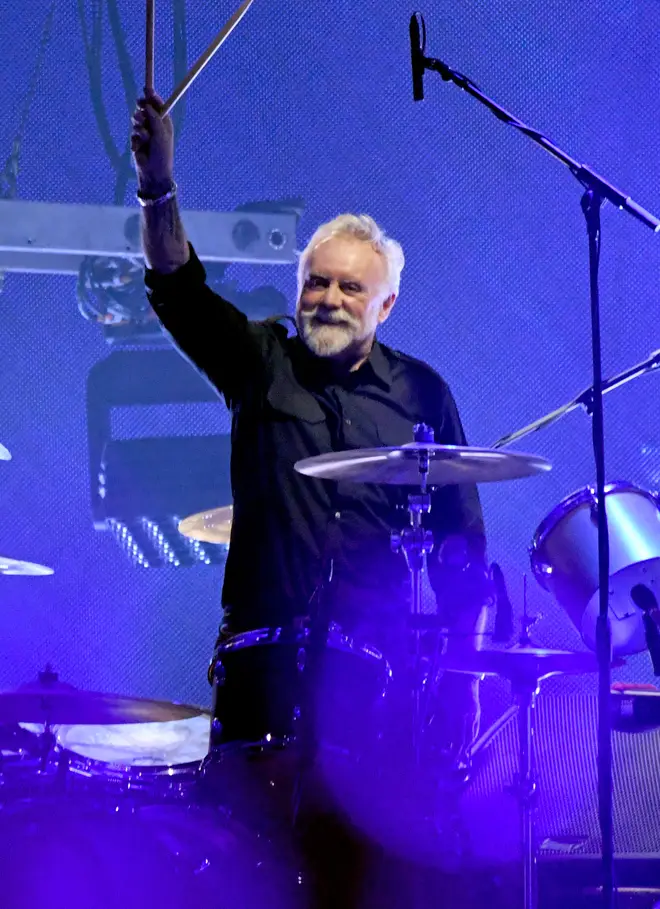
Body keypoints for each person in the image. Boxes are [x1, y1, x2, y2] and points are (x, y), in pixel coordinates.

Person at [131, 88, 491, 909]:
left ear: (386, 304)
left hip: (381, 686)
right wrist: (158, 184)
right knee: (246, 872)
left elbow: (463, 547)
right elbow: (178, 287)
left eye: (349, 290)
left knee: (363, 878)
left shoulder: (423, 393)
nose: (328, 300)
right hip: (264, 671)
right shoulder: (261, 362)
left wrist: (462, 679)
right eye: (317, 283)